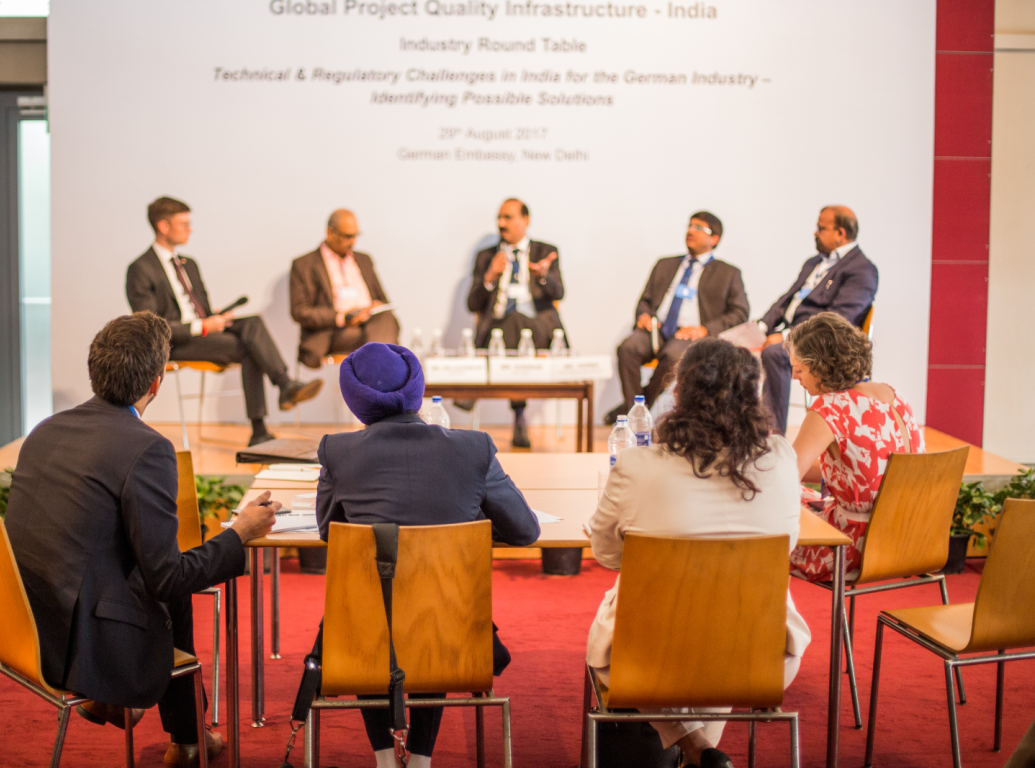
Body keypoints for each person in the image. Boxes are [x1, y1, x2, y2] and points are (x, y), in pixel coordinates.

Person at [4, 311, 279, 767]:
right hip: (82, 646)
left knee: (157, 577)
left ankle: (185, 738)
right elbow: (167, 579)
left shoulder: (46, 429)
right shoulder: (147, 447)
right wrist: (240, 534)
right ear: (156, 382)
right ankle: (183, 736)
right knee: (172, 594)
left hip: (26, 624)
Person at [586, 338, 810, 768]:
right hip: (758, 650)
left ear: (680, 393)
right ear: (753, 394)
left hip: (649, 652)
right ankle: (702, 753)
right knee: (724, 624)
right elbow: (789, 544)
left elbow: (608, 554)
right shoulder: (781, 459)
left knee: (663, 635)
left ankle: (694, 747)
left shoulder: (637, 466)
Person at [315, 342, 540, 768]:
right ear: (418, 390)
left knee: (373, 609)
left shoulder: (337, 452)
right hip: (454, 635)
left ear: (354, 399)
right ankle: (420, 760)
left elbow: (331, 531)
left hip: (362, 638)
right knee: (432, 603)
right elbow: (525, 531)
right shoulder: (474, 448)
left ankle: (385, 759)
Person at [126, 196, 322, 446]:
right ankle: (267, 415)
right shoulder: (140, 269)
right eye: (184, 224)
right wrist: (202, 326)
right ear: (163, 226)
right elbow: (150, 329)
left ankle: (282, 389)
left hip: (203, 331)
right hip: (175, 343)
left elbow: (203, 309)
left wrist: (213, 318)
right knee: (249, 348)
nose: (190, 229)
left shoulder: (189, 264)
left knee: (252, 323)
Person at [787, 312, 924, 581]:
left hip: (851, 548)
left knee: (757, 513)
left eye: (799, 369)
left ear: (820, 367)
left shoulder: (830, 407)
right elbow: (861, 473)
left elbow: (785, 478)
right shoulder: (896, 397)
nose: (793, 377)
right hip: (907, 540)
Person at [606, 211, 749, 425]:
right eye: (690, 226)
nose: (691, 231)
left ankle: (635, 412)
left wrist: (704, 329)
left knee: (674, 357)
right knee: (627, 348)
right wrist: (643, 315)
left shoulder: (728, 273)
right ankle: (634, 412)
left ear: (715, 239)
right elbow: (644, 300)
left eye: (699, 228)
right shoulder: (664, 264)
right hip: (656, 330)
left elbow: (740, 312)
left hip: (689, 334)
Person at [757, 205, 878, 435]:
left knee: (774, 354)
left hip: (824, 344)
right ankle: (736, 435)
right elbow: (788, 299)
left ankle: (771, 438)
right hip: (792, 334)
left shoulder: (862, 269)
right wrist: (761, 327)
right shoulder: (813, 263)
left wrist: (785, 337)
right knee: (733, 350)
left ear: (840, 233)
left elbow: (839, 320)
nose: (815, 233)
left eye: (821, 228)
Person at [464, 198, 566, 449]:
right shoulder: (487, 256)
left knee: (517, 317)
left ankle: (469, 394)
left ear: (526, 220)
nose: (501, 223)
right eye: (499, 218)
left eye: (507, 217)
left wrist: (542, 277)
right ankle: (519, 414)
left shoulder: (545, 251)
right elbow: (472, 304)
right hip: (496, 334)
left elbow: (559, 293)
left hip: (540, 331)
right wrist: (489, 277)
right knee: (509, 320)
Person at [289, 209, 400, 369]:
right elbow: (300, 311)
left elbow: (383, 300)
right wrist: (342, 317)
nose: (353, 241)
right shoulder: (304, 265)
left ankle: (377, 372)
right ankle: (382, 377)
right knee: (381, 344)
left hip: (370, 325)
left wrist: (376, 306)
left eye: (356, 235)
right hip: (334, 331)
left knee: (387, 318)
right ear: (330, 232)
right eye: (348, 236)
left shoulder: (364, 260)